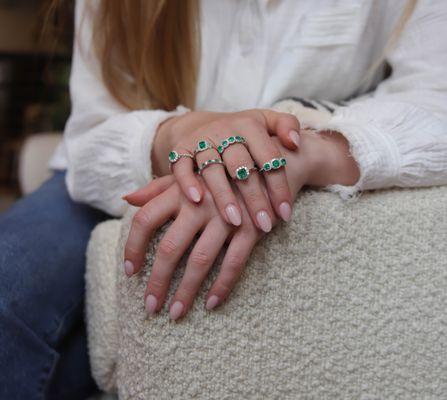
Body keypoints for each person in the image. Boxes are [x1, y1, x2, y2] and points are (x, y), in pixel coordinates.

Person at [1, 0, 446, 398]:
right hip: (134, 167)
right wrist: (182, 135)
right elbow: (93, 133)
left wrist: (307, 148)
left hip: (305, 162)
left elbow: (436, 95)